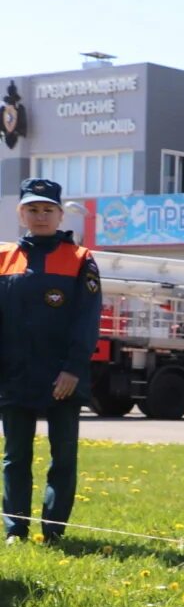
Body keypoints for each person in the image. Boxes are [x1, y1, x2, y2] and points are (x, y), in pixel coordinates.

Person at [0, 179, 100, 544]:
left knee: (63, 458)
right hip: (15, 376)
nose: (40, 216)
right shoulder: (4, 258)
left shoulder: (80, 259)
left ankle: (54, 531)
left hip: (63, 378)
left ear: (60, 214)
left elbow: (87, 320)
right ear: (20, 212)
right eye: (32, 209)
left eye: (47, 209)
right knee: (15, 458)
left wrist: (73, 368)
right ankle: (16, 530)